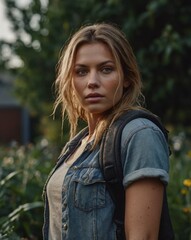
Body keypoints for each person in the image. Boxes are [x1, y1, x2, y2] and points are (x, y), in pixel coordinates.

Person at [43, 23, 171, 240]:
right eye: (81, 71)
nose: (92, 82)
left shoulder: (139, 135)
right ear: (70, 80)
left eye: (106, 69)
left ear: (127, 77)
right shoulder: (76, 144)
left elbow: (144, 236)